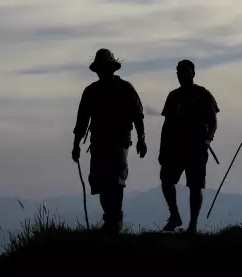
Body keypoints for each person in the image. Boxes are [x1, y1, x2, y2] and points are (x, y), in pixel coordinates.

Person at [72, 48, 147, 234]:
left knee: (116, 180)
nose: (103, 71)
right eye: (101, 68)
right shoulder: (91, 92)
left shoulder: (125, 88)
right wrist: (75, 144)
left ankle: (116, 219)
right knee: (101, 182)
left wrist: (142, 138)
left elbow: (138, 115)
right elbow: (82, 120)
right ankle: (110, 219)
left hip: (120, 141)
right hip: (99, 142)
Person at [158, 59, 220, 233]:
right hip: (174, 147)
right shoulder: (173, 96)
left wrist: (208, 139)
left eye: (184, 71)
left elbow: (213, 121)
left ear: (193, 73)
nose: (181, 74)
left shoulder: (203, 94)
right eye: (178, 71)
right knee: (166, 181)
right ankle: (175, 216)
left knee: (195, 186)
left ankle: (192, 224)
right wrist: (162, 148)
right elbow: (167, 124)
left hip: (196, 148)